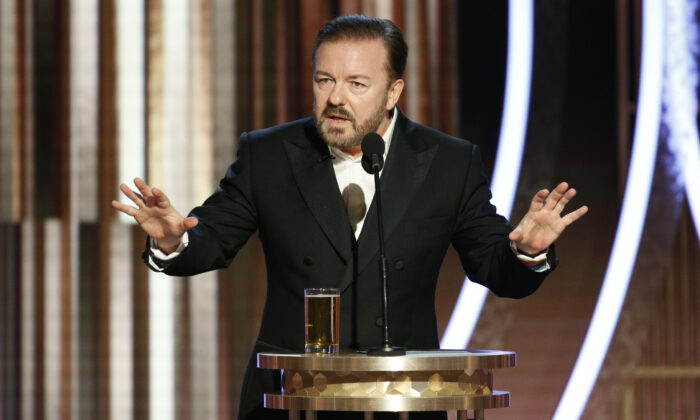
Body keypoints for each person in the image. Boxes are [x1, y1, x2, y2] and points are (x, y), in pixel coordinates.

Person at [113, 14, 588, 420]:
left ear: (392, 91)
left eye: (357, 84)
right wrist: (174, 241)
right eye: (325, 80)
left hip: (401, 400)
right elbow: (213, 238)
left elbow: (492, 265)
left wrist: (527, 251)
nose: (335, 98)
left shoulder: (447, 162)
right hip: (289, 396)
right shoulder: (272, 154)